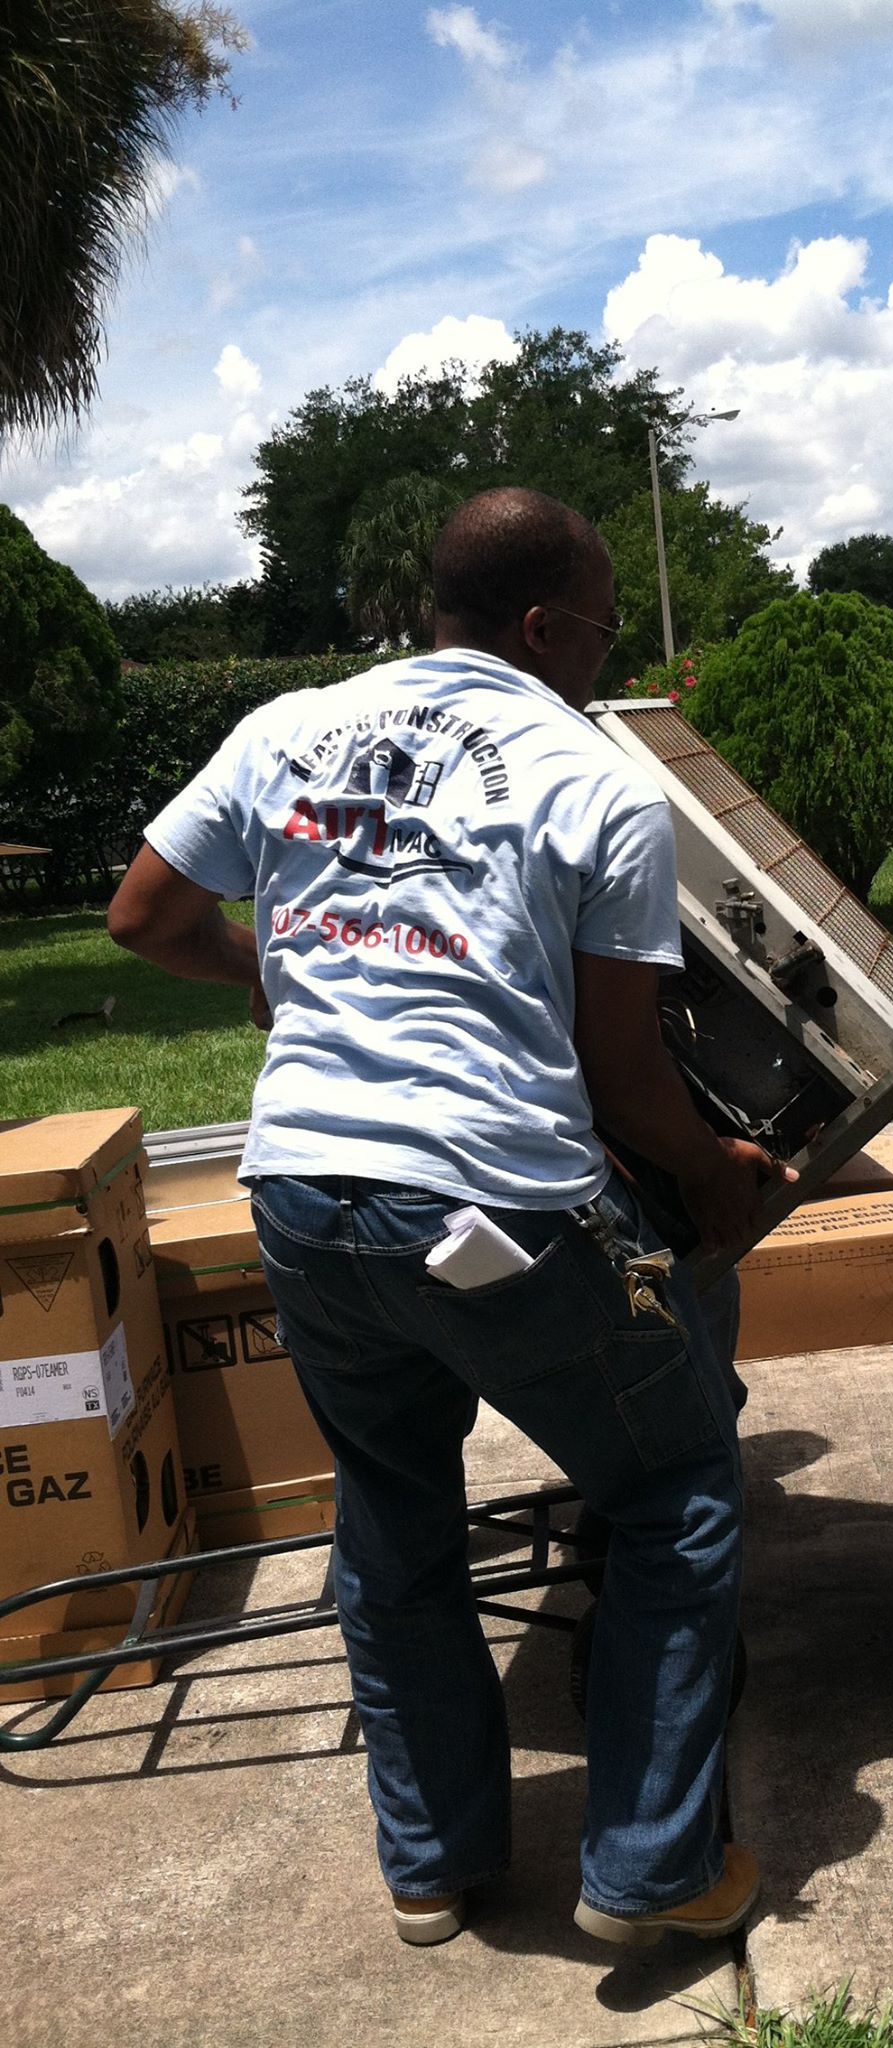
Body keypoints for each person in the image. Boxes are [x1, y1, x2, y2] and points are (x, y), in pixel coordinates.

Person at [108, 486, 792, 1949]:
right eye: (603, 632)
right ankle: (653, 1868)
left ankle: (431, 1865)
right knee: (672, 1493)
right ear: (543, 624)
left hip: (300, 1194)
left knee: (394, 1520)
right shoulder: (592, 778)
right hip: (498, 1201)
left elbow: (145, 920)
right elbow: (620, 1078)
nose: (604, 661)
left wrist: (276, 976)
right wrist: (718, 1175)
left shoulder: (285, 725)